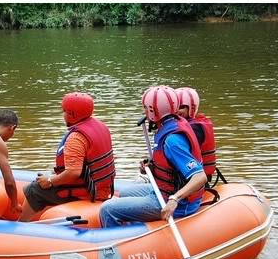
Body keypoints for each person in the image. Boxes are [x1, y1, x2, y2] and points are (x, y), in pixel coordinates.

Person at [99, 85, 207, 228]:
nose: (143, 111)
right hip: (162, 190)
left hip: (175, 201)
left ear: (153, 110)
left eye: (145, 108)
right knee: (121, 191)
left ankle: (117, 246)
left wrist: (174, 199)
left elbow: (200, 177)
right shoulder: (172, 124)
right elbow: (171, 166)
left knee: (107, 209)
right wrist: (152, 166)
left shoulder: (172, 141)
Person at [19, 92, 116, 222]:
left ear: (72, 114)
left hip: (87, 193)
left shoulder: (76, 138)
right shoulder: (100, 125)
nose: (63, 115)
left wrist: (49, 181)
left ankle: (20, 225)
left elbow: (73, 172)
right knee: (32, 186)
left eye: (64, 111)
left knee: (34, 189)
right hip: (102, 188)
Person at [175, 87, 217, 182]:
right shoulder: (190, 125)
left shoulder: (195, 128)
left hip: (194, 179)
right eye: (174, 107)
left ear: (192, 108)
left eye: (181, 107)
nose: (176, 111)